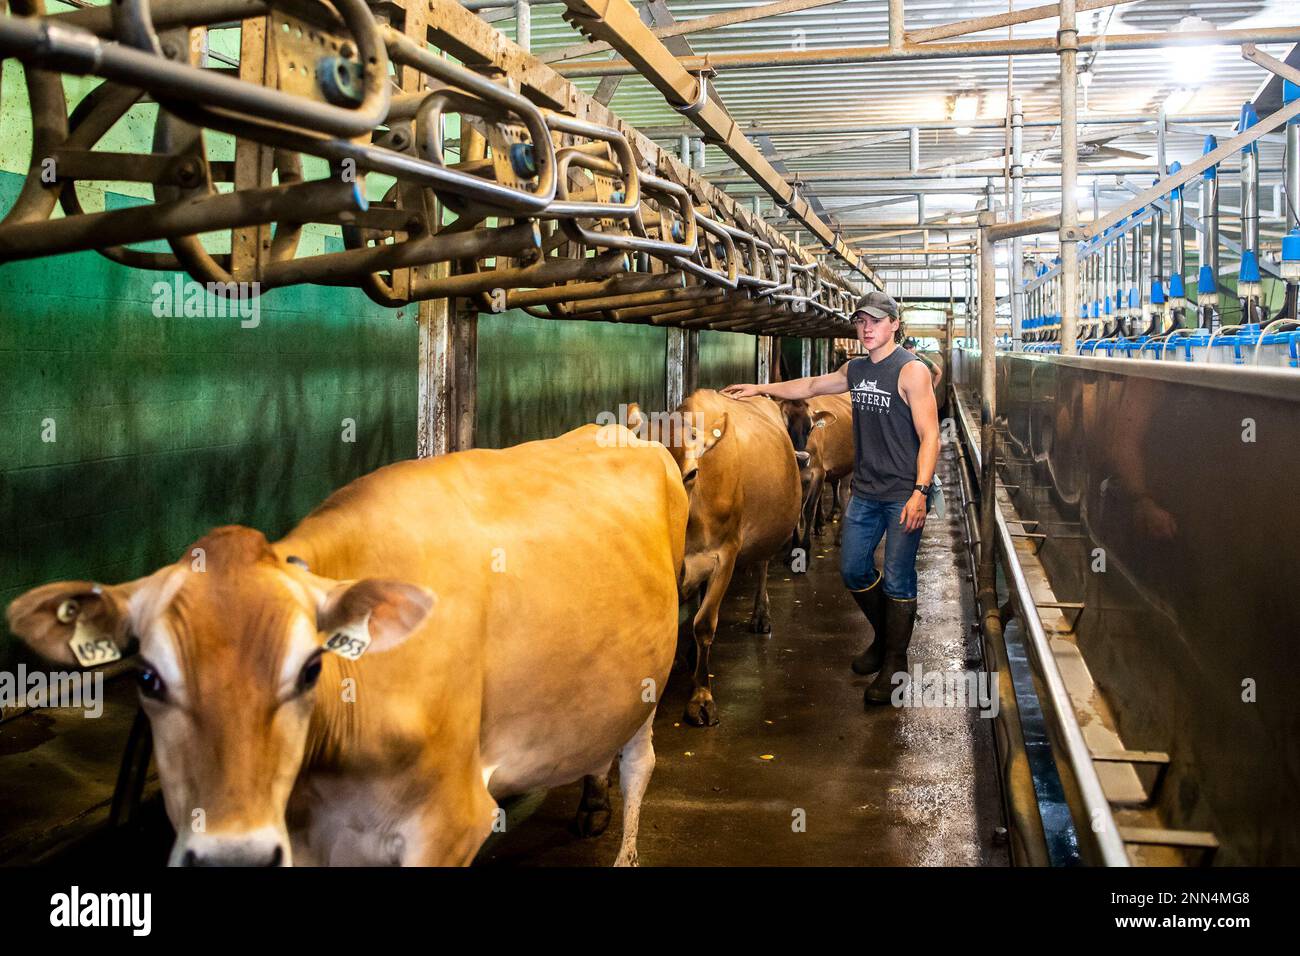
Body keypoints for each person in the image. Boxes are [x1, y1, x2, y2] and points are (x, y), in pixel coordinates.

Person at [722, 291, 941, 707]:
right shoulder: (856, 370)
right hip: (866, 491)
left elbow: (931, 435)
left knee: (897, 577)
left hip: (902, 493)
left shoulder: (911, 372)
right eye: (860, 321)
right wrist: (760, 388)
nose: (866, 328)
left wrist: (920, 491)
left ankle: (895, 663)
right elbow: (810, 384)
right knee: (854, 569)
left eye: (875, 321)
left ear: (895, 324)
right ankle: (884, 637)